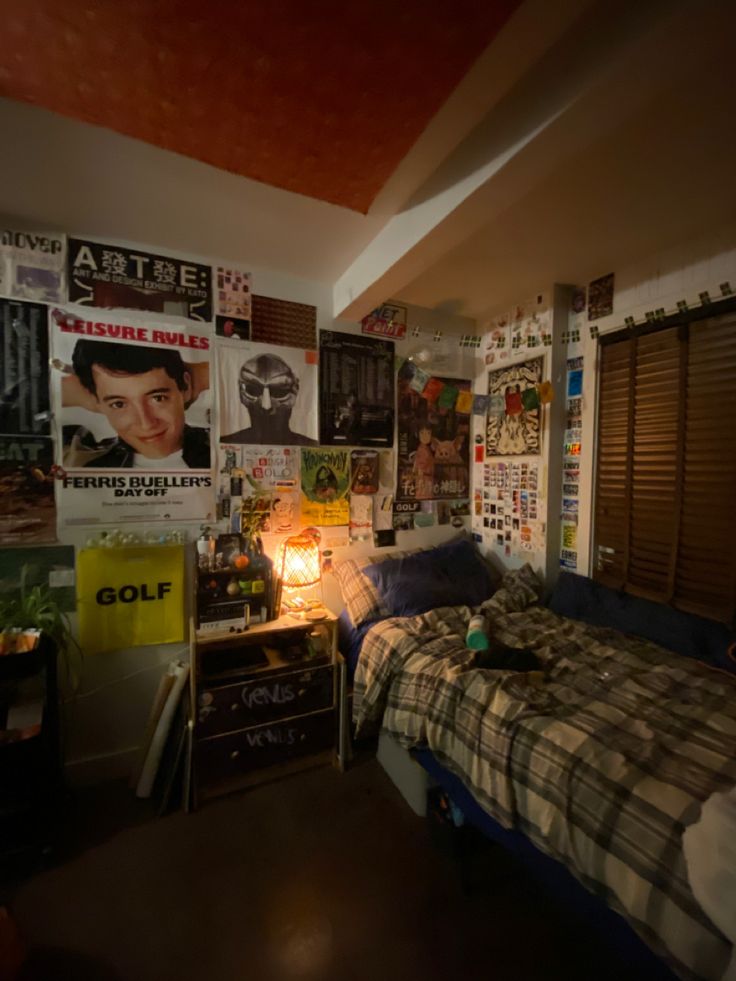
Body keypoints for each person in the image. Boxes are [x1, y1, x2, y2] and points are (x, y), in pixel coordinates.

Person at [62, 340, 210, 469]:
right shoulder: (84, 465)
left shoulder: (216, 447)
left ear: (186, 387)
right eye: (119, 404)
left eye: (158, 398)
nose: (146, 424)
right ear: (97, 403)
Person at [221, 353, 317, 445]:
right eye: (253, 390)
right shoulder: (227, 442)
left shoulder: (310, 445)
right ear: (240, 392)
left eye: (278, 391)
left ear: (295, 391)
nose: (266, 406)